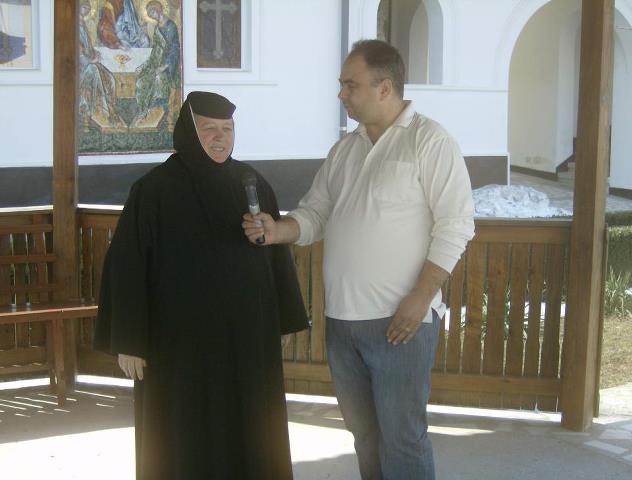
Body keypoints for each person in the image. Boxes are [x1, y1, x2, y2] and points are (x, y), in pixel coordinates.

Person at [243, 40, 475, 480]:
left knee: (403, 439)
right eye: (342, 84)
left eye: (351, 85)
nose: (341, 94)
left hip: (400, 321)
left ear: (384, 88)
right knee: (365, 437)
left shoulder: (430, 140)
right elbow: (314, 214)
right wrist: (277, 230)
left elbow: (456, 225)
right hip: (342, 322)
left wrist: (420, 299)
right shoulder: (345, 150)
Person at [95, 91, 308, 479]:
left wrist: (282, 320)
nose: (220, 137)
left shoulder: (252, 182)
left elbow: (275, 253)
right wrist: (129, 339)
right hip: (178, 347)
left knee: (251, 428)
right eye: (209, 129)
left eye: (227, 129)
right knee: (182, 436)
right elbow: (127, 265)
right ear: (188, 133)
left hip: (246, 342)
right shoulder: (154, 189)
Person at [133, 1, 179, 125]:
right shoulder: (157, 28)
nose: (152, 15)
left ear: (159, 9)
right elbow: (155, 52)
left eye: (153, 12)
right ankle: (143, 111)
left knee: (159, 78)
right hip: (155, 64)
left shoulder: (171, 26)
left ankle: (158, 110)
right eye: (150, 14)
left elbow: (175, 49)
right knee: (141, 81)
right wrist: (143, 66)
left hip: (169, 67)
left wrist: (166, 65)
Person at [79, 1, 122, 127]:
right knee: (95, 72)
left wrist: (94, 52)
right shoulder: (73, 27)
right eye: (83, 7)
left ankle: (112, 110)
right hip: (80, 68)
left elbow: (87, 47)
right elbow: (77, 51)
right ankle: (102, 112)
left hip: (88, 63)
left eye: (87, 8)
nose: (86, 10)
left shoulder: (82, 24)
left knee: (109, 77)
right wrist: (90, 60)